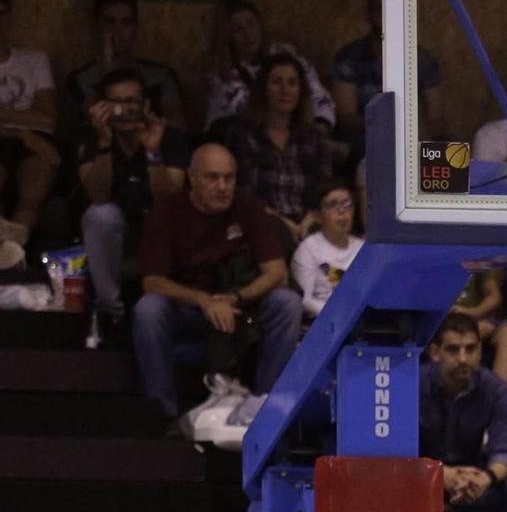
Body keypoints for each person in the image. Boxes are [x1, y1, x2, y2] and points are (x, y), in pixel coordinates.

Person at [133, 143, 302, 425]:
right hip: (188, 310)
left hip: (239, 307)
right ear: (192, 178)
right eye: (213, 178)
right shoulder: (167, 213)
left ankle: (264, 410)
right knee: (148, 309)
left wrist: (234, 298)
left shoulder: (248, 207)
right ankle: (163, 413)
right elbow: (152, 282)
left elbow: (275, 272)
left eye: (229, 177)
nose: (222, 186)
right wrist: (204, 301)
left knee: (287, 302)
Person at [77, 65, 191, 321]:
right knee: (101, 214)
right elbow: (96, 194)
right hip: (113, 242)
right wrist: (105, 144)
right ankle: (110, 308)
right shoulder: (93, 137)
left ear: (146, 105)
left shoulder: (169, 137)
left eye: (131, 102)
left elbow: (169, 199)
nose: (124, 111)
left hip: (157, 235)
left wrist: (152, 152)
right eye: (115, 103)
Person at [419, 312, 507, 512]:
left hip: (470, 486)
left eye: (471, 349)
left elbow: (504, 453)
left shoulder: (494, 388)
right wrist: (438, 473)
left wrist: (485, 479)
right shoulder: (413, 384)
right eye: (453, 350)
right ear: (435, 352)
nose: (463, 359)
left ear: (480, 351)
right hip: (424, 482)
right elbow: (398, 453)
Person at [219, 53, 332, 244]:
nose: (285, 90)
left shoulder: (312, 139)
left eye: (292, 83)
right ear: (263, 89)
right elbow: (242, 195)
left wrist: (309, 220)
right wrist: (282, 223)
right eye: (276, 82)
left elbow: (324, 191)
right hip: (260, 222)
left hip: (307, 223)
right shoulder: (243, 135)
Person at [331, 0, 441, 161]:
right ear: (368, 14)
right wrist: (385, 126)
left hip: (413, 139)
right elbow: (346, 117)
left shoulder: (423, 59)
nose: (387, 15)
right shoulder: (350, 57)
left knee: (450, 146)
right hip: (367, 140)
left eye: (394, 9)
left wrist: (418, 134)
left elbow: (436, 115)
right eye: (380, 8)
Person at [64, 0, 188, 134]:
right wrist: (108, 67)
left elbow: (177, 126)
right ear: (98, 26)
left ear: (135, 27)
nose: (118, 30)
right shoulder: (80, 80)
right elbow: (95, 121)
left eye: (126, 22)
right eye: (110, 22)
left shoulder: (161, 76)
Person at [201, 0, 333, 133]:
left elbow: (321, 99)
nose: (248, 34)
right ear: (227, 37)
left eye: (251, 24)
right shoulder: (223, 75)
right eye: (238, 30)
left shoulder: (287, 56)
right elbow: (249, 113)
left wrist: (319, 129)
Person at [289, 180, 361, 321]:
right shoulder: (308, 249)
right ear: (317, 216)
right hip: (320, 323)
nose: (342, 211)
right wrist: (342, 315)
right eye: (333, 205)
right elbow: (304, 301)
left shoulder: (363, 248)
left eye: (347, 204)